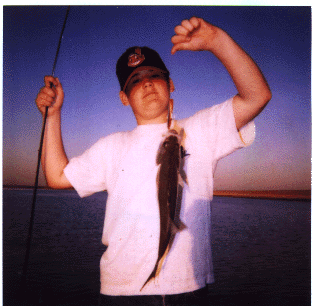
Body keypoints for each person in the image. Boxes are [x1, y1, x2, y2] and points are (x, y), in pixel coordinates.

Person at [36, 17, 271, 306]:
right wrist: (53, 115)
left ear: (170, 84)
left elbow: (257, 96)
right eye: (134, 80)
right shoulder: (111, 146)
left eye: (154, 75)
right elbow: (56, 176)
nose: (145, 82)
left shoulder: (200, 130)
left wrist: (217, 42)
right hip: (120, 292)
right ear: (124, 97)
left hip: (187, 289)